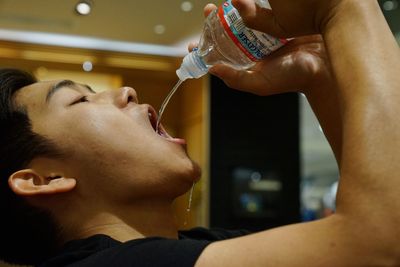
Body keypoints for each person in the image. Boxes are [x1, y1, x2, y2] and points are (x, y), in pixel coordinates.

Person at [0, 0, 399, 266]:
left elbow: (371, 227)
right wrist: (343, 9)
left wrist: (319, 78)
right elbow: (379, 243)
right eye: (80, 100)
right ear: (44, 179)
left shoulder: (196, 245)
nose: (126, 92)